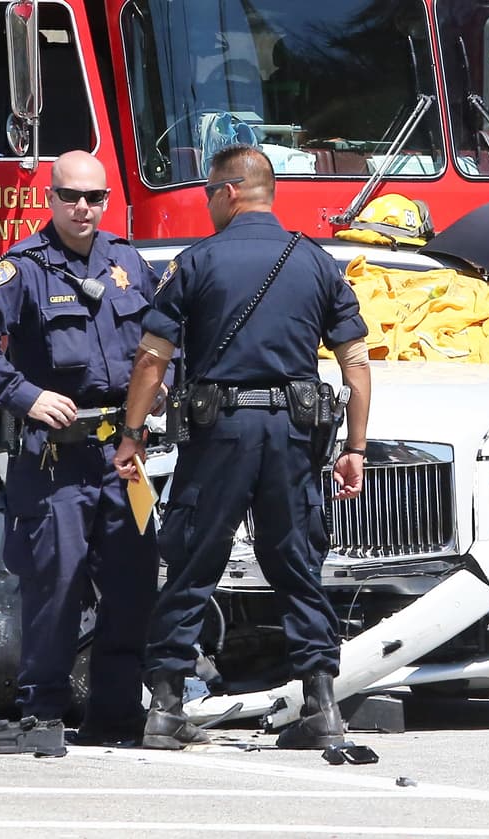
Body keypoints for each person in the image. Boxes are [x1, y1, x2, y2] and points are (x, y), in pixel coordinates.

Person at [112, 144, 371, 750]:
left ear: (229, 192)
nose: (205, 204)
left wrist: (131, 434)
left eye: (207, 193)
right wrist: (354, 446)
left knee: (193, 564)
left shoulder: (195, 262)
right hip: (293, 437)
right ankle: (321, 707)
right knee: (298, 567)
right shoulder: (315, 262)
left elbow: (153, 358)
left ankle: (167, 709)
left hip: (219, 434)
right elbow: (356, 365)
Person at [0, 150, 161, 745]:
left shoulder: (128, 263)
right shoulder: (24, 268)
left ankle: (117, 711)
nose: (84, 208)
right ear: (51, 197)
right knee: (55, 582)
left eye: (95, 197)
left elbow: (167, 337)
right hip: (54, 459)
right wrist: (25, 395)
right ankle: (42, 709)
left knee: (135, 579)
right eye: (71, 196)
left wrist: (162, 383)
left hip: (127, 458)